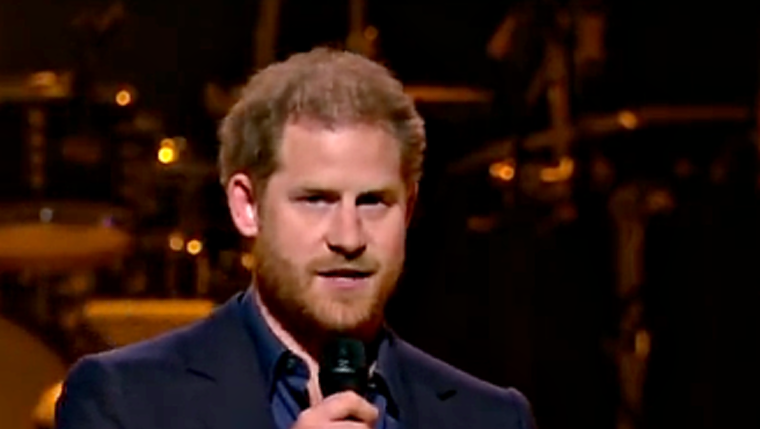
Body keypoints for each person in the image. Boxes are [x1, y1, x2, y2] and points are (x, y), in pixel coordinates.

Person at [55, 47, 536, 429]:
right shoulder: (126, 402)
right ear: (247, 207)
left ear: (408, 209)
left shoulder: (490, 418)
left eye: (373, 202)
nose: (349, 237)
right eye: (316, 200)